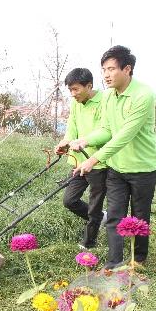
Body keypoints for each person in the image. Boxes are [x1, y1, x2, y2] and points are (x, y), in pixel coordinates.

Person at [70, 46, 156, 270]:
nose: (106, 74)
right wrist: (86, 140)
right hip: (117, 168)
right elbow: (107, 129)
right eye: (103, 69)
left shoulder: (143, 95)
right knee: (114, 216)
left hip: (142, 168)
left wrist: (92, 159)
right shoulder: (109, 96)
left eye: (111, 69)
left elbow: (124, 136)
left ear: (127, 69)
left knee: (139, 216)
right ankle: (114, 262)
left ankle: (138, 259)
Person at [54, 68, 107, 249]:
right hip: (78, 161)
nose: (73, 94)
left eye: (76, 89)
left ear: (89, 86)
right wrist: (64, 142)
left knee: (94, 204)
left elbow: (105, 132)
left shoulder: (104, 102)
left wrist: (85, 142)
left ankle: (89, 243)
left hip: (97, 162)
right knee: (69, 200)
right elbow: (71, 128)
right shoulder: (76, 104)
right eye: (70, 90)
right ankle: (102, 219)